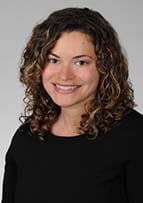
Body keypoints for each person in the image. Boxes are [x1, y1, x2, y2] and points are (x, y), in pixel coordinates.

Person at [1, 7, 143, 203]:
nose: (64, 75)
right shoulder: (26, 139)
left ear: (105, 67)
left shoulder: (136, 137)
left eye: (81, 62)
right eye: (54, 60)